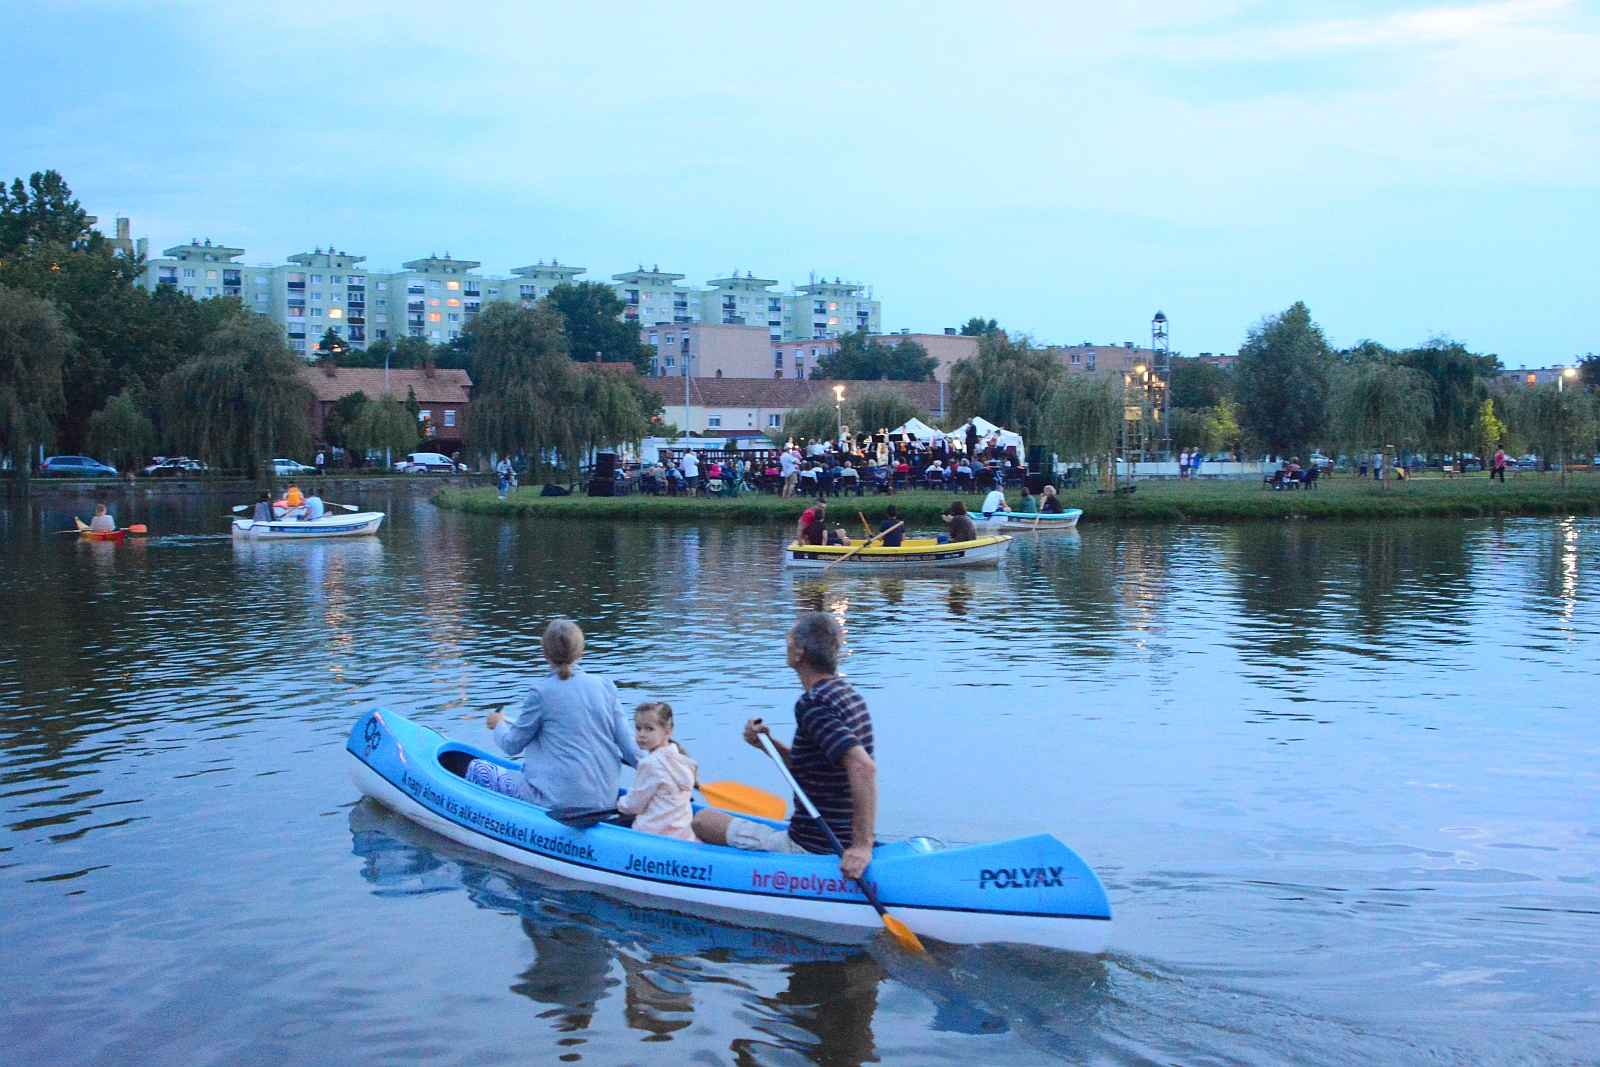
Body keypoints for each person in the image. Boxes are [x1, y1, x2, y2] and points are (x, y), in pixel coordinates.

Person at [691, 614, 878, 880]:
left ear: (800, 653)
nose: (785, 644)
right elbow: (816, 773)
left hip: (810, 847)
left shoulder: (813, 705)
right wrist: (768, 745)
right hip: (834, 838)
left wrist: (861, 847)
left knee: (701, 821)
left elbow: (864, 768)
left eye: (788, 639)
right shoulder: (850, 696)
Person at [471, 619, 641, 810]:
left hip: (560, 803)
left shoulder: (541, 693)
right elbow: (630, 748)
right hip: (606, 800)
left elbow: (511, 745)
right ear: (581, 652)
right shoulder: (606, 686)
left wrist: (499, 724)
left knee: (478, 769)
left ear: (545, 654)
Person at [616, 702, 697, 841]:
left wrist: (618, 804)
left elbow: (634, 805)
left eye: (649, 729)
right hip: (682, 834)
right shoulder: (680, 758)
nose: (641, 735)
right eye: (638, 728)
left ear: (666, 731)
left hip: (652, 833)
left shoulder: (650, 764)